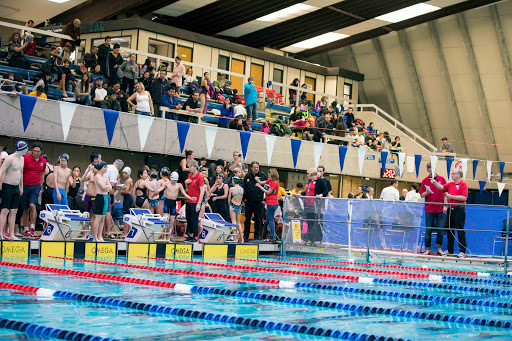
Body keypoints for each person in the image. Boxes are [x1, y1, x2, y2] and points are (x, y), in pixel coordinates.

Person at [431, 167, 468, 258]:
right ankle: (450, 250)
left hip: (459, 209)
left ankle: (462, 251)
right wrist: (434, 182)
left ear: (459, 175)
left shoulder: (463, 184)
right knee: (450, 230)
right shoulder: (450, 184)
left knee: (460, 230)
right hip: (450, 209)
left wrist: (451, 196)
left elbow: (464, 198)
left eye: (453, 173)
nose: (451, 175)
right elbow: (441, 187)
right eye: (451, 173)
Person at [0, 141, 28, 240]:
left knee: (14, 211)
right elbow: (1, 171)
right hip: (7, 186)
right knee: (5, 210)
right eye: (26, 148)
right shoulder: (10, 158)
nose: (27, 150)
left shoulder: (22, 159)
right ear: (23, 148)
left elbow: (21, 173)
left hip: (16, 187)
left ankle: (11, 235)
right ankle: (0, 233)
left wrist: (21, 186)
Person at [420, 162, 447, 255]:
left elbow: (445, 193)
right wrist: (426, 192)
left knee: (440, 229)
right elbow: (421, 195)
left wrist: (445, 205)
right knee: (428, 230)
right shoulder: (424, 181)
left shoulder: (442, 179)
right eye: (430, 171)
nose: (431, 173)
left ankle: (439, 248)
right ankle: (427, 249)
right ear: (427, 170)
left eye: (433, 170)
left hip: (439, 209)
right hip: (429, 209)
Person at [20, 142, 45, 237]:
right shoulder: (25, 158)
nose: (36, 153)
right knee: (25, 208)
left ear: (41, 152)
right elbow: (21, 172)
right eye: (34, 151)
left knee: (32, 205)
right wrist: (20, 185)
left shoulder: (43, 161)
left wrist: (41, 186)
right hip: (25, 186)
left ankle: (32, 228)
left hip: (36, 186)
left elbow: (42, 173)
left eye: (38, 151)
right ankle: (26, 229)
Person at [299, 168, 329, 246]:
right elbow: (308, 192)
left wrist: (320, 195)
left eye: (308, 174)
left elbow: (326, 191)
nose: (307, 175)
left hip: (315, 206)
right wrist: (301, 194)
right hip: (308, 205)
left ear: (312, 174)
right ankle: (309, 239)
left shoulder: (320, 181)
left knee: (315, 223)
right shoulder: (310, 182)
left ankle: (316, 240)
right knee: (309, 222)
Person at [243, 161, 266, 241]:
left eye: (257, 167)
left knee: (258, 220)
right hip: (249, 201)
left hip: (259, 201)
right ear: (251, 168)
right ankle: (246, 236)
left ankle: (256, 237)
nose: (256, 169)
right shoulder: (247, 176)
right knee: (247, 219)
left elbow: (267, 187)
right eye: (254, 167)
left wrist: (264, 199)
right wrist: (244, 198)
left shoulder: (262, 175)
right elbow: (244, 187)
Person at [255, 168, 280, 242]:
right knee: (269, 220)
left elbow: (268, 192)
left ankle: (272, 237)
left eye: (269, 174)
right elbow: (261, 182)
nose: (268, 175)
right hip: (269, 203)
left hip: (272, 203)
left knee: (271, 220)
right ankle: (271, 236)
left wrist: (260, 187)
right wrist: (256, 179)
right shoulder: (270, 181)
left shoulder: (274, 182)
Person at [184, 160, 205, 243]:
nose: (189, 168)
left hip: (196, 201)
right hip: (189, 200)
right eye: (188, 167)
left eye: (190, 167)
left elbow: (202, 191)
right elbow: (187, 189)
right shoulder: (189, 175)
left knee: (194, 219)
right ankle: (190, 235)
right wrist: (186, 183)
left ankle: (195, 236)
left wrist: (199, 203)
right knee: (188, 218)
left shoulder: (199, 177)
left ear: (195, 167)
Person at [90, 161, 111, 242]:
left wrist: (107, 187)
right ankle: (94, 237)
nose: (106, 169)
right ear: (101, 168)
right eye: (105, 167)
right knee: (98, 218)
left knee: (103, 218)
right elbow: (103, 187)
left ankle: (100, 236)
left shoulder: (105, 177)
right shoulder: (97, 176)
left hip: (105, 197)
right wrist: (107, 186)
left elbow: (110, 188)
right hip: (99, 197)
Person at [105, 159, 123, 238]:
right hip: (106, 193)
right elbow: (112, 183)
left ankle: (102, 232)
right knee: (108, 212)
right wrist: (116, 185)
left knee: (100, 214)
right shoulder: (114, 170)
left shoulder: (107, 166)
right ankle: (108, 232)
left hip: (99, 192)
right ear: (120, 167)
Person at [228, 175, 244, 243]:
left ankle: (235, 239)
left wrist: (230, 205)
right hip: (239, 206)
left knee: (233, 223)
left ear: (233, 181)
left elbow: (229, 200)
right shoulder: (242, 189)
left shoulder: (231, 189)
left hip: (233, 205)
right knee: (238, 223)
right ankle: (242, 239)